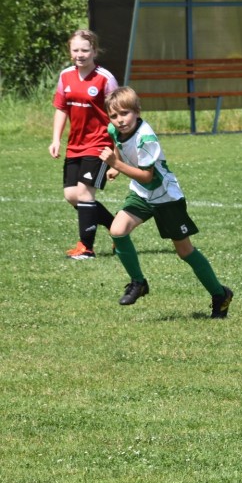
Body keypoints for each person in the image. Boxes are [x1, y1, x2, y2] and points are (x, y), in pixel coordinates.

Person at [97, 87, 233, 318]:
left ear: (137, 111)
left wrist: (116, 165)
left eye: (125, 113)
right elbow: (117, 144)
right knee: (117, 230)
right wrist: (115, 165)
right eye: (114, 115)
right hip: (142, 194)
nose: (120, 120)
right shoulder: (114, 129)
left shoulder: (146, 138)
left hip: (165, 197)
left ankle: (220, 294)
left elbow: (147, 176)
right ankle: (138, 283)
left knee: (184, 251)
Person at [50, 29, 119, 259]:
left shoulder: (105, 79)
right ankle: (118, 228)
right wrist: (56, 139)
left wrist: (116, 153)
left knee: (84, 193)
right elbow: (61, 108)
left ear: (94, 51)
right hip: (75, 145)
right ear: (70, 52)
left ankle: (86, 248)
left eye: (85, 50)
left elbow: (118, 114)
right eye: (75, 50)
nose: (80, 54)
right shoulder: (65, 76)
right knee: (71, 195)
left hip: (99, 144)